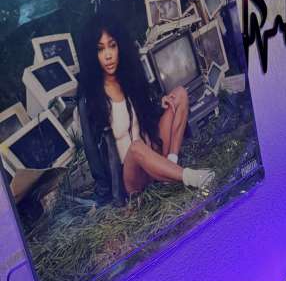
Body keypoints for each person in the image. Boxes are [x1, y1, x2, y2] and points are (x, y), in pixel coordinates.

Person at [77, 12, 214, 205]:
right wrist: (107, 198)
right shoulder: (90, 98)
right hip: (130, 178)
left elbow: (145, 113)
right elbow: (93, 154)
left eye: (112, 46)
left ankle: (171, 166)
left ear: (120, 47)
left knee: (180, 94)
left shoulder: (128, 77)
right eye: (100, 49)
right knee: (136, 147)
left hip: (152, 154)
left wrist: (161, 102)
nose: (108, 55)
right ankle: (192, 178)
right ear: (93, 54)